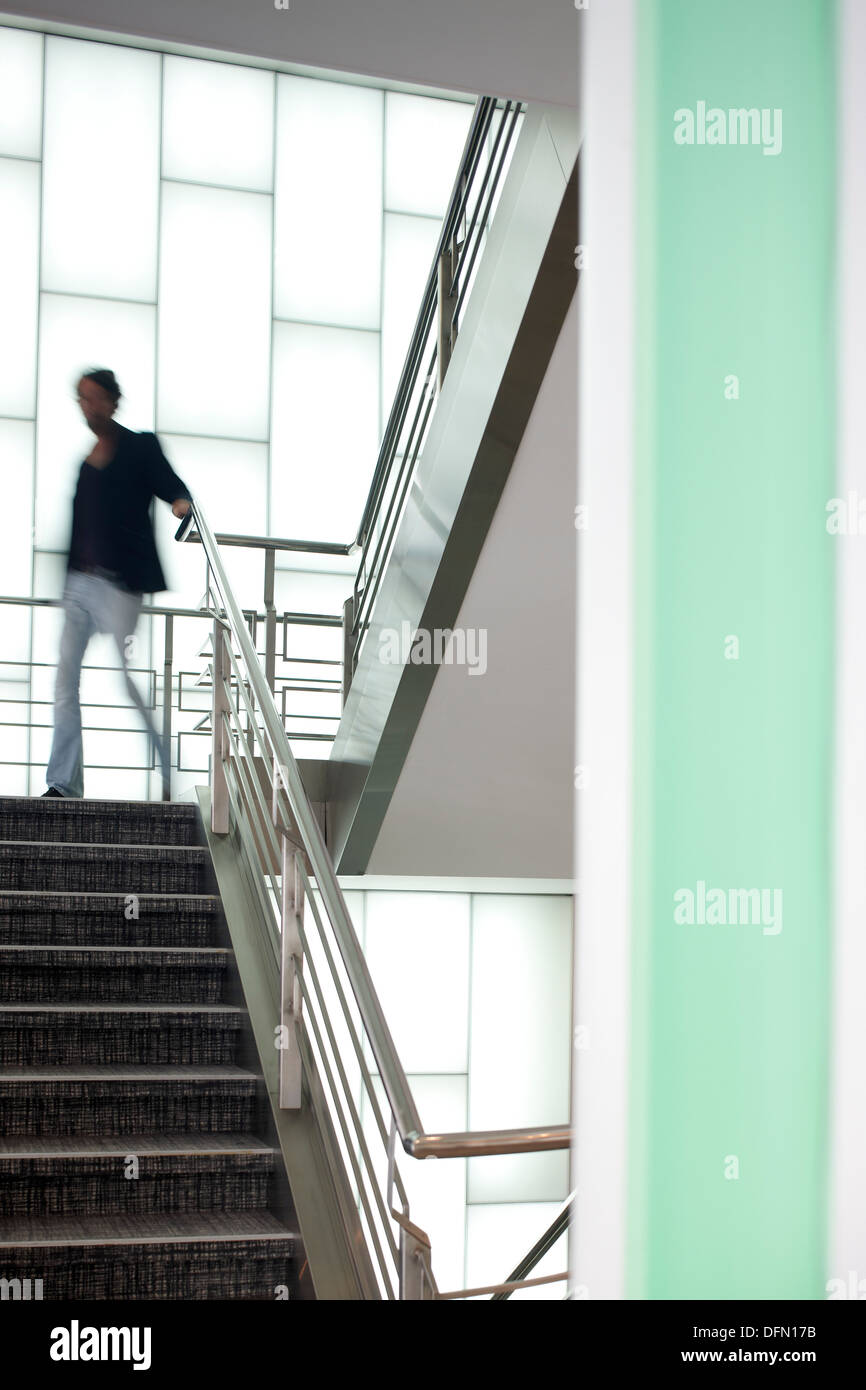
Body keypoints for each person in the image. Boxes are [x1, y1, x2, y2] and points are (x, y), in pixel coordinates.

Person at [43, 368, 193, 801]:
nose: (87, 407)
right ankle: (62, 783)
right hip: (79, 588)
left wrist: (180, 503)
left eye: (93, 398)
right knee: (64, 679)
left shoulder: (139, 446)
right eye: (81, 399)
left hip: (120, 589)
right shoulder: (85, 464)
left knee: (127, 679)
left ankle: (167, 767)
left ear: (112, 401)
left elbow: (172, 486)